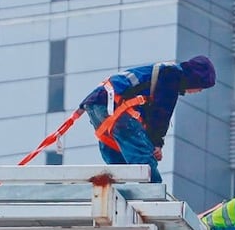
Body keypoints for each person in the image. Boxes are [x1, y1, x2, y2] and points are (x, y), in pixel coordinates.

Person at [78, 56, 216, 182]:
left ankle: (120, 196)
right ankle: (156, 200)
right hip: (112, 105)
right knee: (145, 162)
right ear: (195, 79)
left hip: (96, 104)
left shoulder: (161, 73)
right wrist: (156, 143)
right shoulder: (172, 75)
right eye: (201, 87)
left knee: (118, 161)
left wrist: (152, 141)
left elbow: (146, 117)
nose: (199, 91)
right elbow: (162, 111)